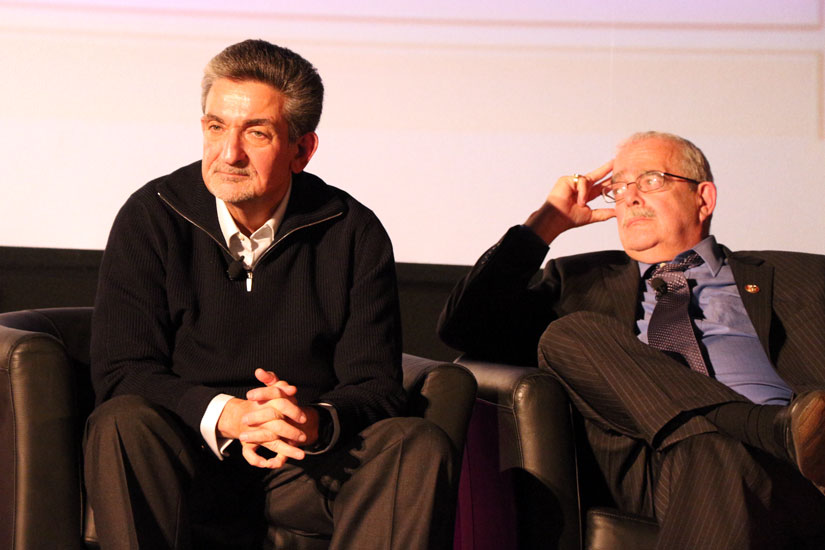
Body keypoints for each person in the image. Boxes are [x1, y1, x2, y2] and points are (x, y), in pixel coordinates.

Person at [85, 39, 454, 550]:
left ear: (302, 150)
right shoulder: (153, 215)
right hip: (187, 458)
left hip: (305, 469)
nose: (229, 153)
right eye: (216, 127)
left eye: (255, 133)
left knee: (416, 442)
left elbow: (377, 386)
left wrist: (314, 421)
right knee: (122, 421)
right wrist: (226, 413)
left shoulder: (352, 231)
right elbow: (122, 372)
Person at [438, 131, 825, 549]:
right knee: (568, 335)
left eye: (652, 180)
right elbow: (463, 327)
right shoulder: (577, 282)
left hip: (797, 472)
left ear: (704, 198)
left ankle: (767, 434)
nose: (631, 197)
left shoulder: (800, 276)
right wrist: (545, 223)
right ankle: (768, 428)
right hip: (648, 470)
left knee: (713, 449)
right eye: (619, 188)